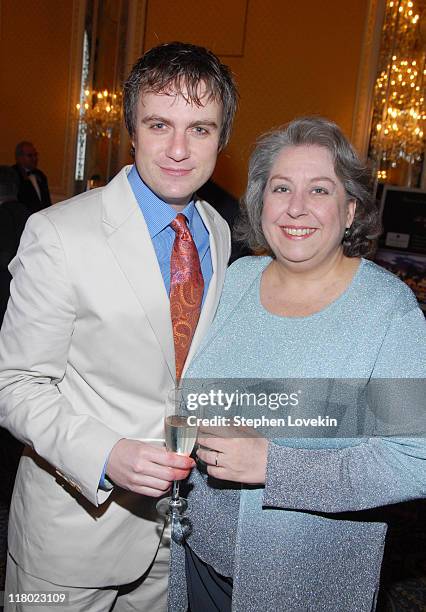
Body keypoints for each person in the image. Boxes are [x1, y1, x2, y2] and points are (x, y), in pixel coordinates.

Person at [0, 41, 238, 611]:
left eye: (200, 129)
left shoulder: (218, 231)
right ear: (132, 129)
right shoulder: (58, 233)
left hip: (175, 536)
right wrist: (106, 454)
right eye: (160, 124)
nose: (179, 149)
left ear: (222, 138)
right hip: (74, 533)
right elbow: (14, 385)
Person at [170, 117, 426, 612]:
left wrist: (275, 467)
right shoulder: (236, 281)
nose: (295, 208)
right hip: (197, 559)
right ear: (260, 201)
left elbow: (415, 462)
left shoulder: (388, 311)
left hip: (304, 585)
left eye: (320, 191)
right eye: (281, 187)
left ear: (351, 210)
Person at [12, 141, 52, 213]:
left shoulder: (40, 175)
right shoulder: (12, 174)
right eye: (30, 155)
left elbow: (47, 201)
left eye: (35, 155)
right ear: (19, 157)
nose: (34, 158)